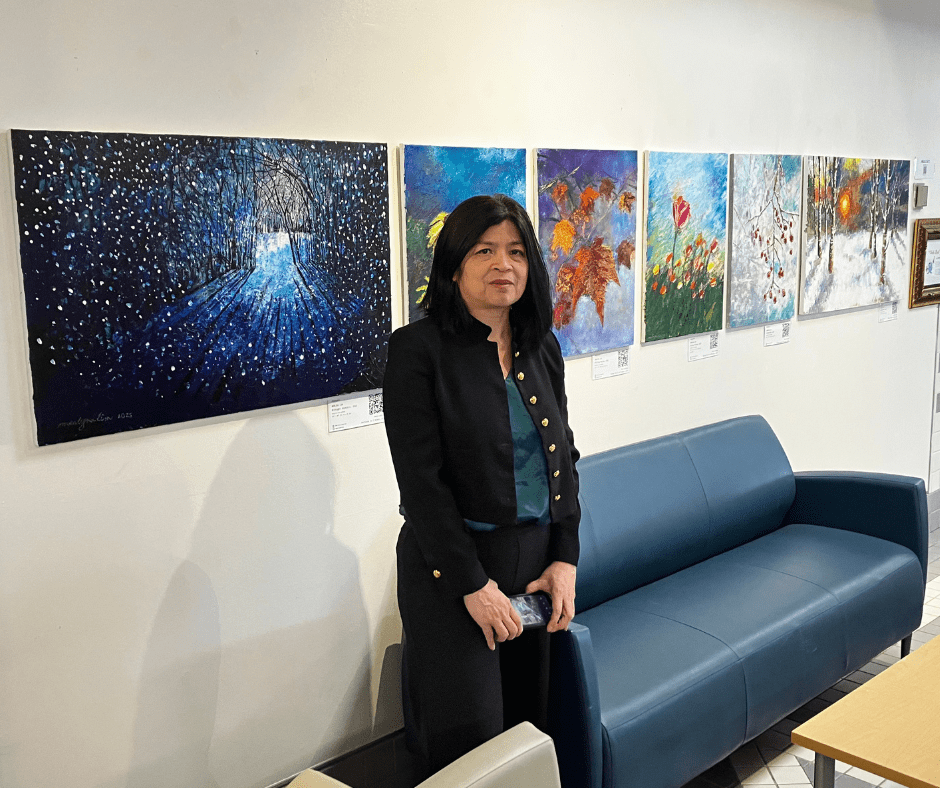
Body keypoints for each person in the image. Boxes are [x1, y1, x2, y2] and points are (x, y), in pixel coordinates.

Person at [382, 194, 581, 775]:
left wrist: (565, 557)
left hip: (535, 565)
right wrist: (473, 585)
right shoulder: (417, 351)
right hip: (454, 575)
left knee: (528, 729)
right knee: (469, 742)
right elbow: (422, 487)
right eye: (485, 250)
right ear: (453, 265)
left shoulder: (539, 344)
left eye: (516, 252)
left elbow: (563, 458)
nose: (504, 265)